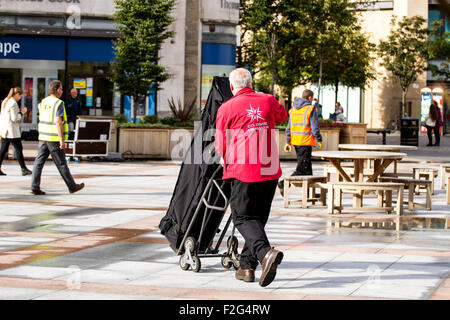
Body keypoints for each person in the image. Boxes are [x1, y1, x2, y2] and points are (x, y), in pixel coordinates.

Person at [214, 68, 287, 287]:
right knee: (257, 219)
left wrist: (224, 158)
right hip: (269, 169)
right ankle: (246, 267)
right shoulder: (268, 100)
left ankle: (266, 253)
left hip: (243, 170)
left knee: (243, 218)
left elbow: (220, 143)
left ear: (232, 86)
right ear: (251, 82)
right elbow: (282, 116)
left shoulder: (227, 108)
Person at [30, 80, 84, 195]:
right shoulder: (58, 103)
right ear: (58, 90)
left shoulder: (43, 102)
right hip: (54, 138)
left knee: (38, 162)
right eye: (61, 88)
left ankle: (34, 186)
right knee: (62, 163)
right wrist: (61, 139)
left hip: (43, 136)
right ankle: (72, 186)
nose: (62, 91)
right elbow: (58, 122)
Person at [283, 89, 323, 180]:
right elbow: (315, 127)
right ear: (310, 98)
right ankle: (284, 183)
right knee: (302, 169)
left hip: (296, 142)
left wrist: (288, 142)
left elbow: (288, 128)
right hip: (305, 142)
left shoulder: (293, 110)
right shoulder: (310, 109)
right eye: (312, 98)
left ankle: (309, 192)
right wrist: (319, 139)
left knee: (307, 168)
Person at [0, 87, 33, 176]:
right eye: (20, 96)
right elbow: (14, 118)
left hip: (4, 130)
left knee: (3, 150)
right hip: (12, 131)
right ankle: (24, 169)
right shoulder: (13, 103)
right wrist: (22, 113)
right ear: (17, 94)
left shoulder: (5, 100)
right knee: (18, 149)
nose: (20, 98)